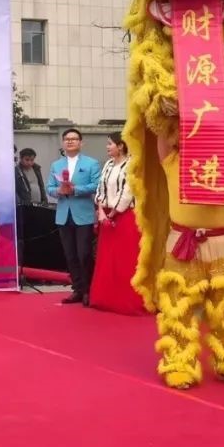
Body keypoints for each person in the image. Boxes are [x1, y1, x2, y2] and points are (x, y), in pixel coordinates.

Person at [89, 132, 145, 314]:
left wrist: (112, 214)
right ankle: (105, 299)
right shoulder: (108, 164)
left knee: (125, 258)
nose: (107, 147)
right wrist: (101, 211)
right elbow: (101, 188)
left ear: (120, 145)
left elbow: (128, 193)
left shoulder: (132, 164)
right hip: (105, 215)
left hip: (125, 216)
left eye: (110, 144)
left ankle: (127, 301)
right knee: (107, 258)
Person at [46, 128, 101, 305]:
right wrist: (59, 190)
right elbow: (49, 188)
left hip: (83, 214)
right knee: (70, 255)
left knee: (84, 254)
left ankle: (89, 290)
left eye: (74, 139)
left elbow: (96, 185)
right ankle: (77, 289)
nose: (70, 141)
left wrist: (75, 189)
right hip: (63, 214)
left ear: (81, 143)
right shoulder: (56, 165)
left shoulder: (91, 163)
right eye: (67, 139)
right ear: (63, 143)